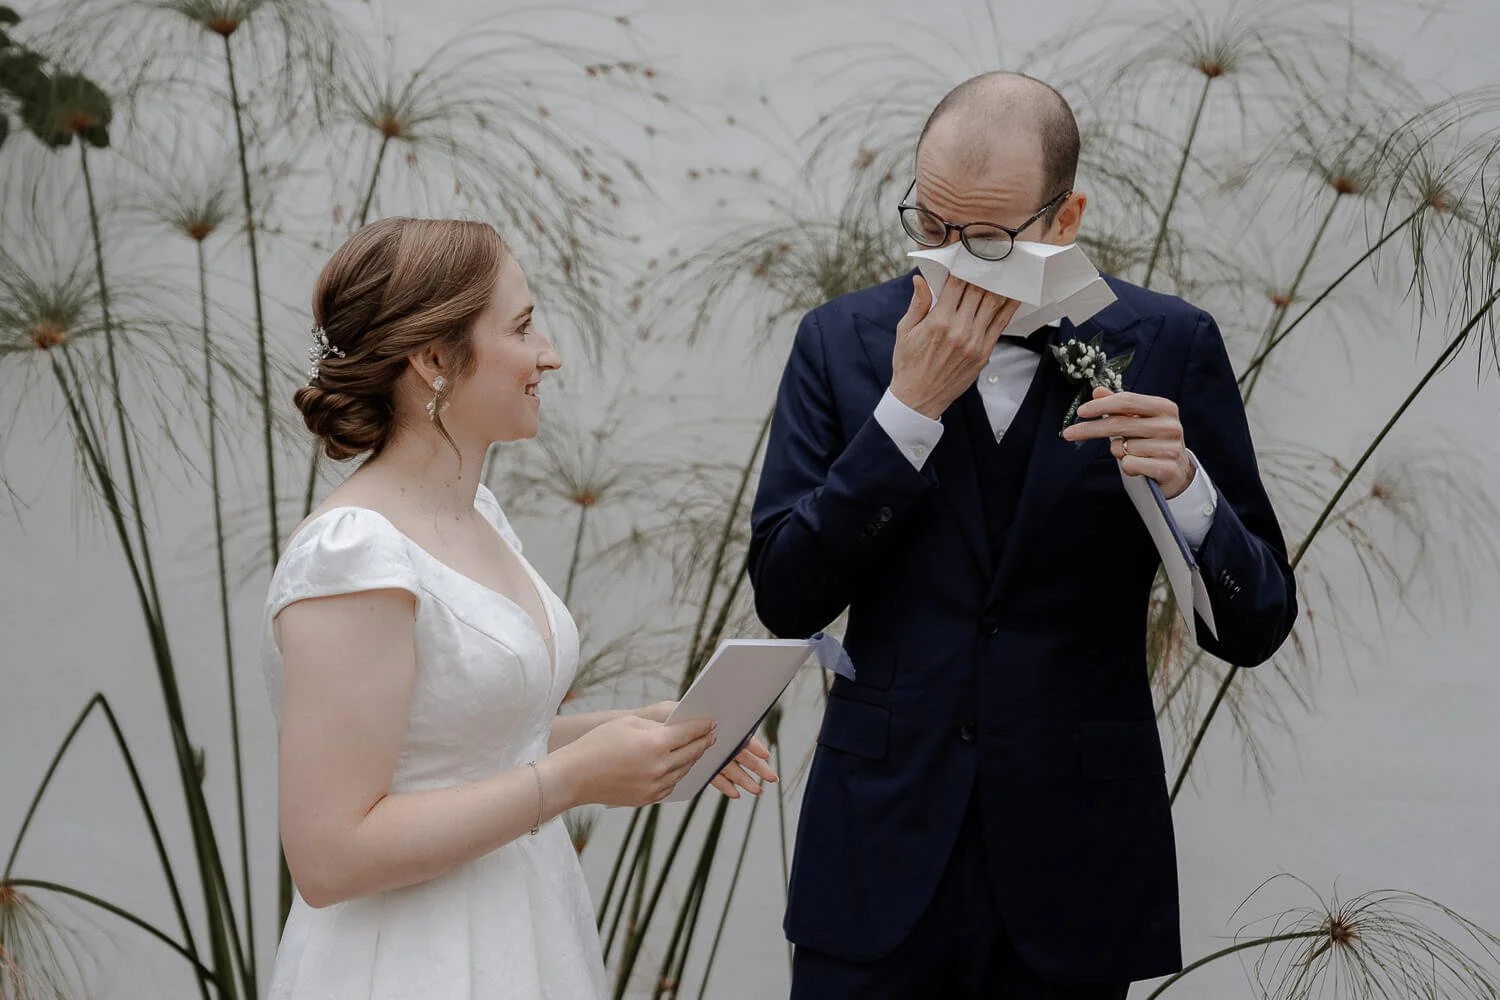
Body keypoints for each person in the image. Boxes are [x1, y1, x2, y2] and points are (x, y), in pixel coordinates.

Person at [748, 73, 1297, 999]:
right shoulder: (839, 340)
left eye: (990, 237)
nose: (957, 262)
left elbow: (1256, 625)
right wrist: (906, 415)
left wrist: (1188, 487)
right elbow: (786, 593)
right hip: (879, 843)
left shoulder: (1168, 342)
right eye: (931, 227)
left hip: (1075, 854)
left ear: (1065, 213)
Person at [261, 217, 775, 1000]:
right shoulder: (353, 557)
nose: (550, 355)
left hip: (524, 926)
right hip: (410, 960)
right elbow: (331, 856)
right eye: (525, 326)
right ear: (434, 359)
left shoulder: (479, 516)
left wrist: (637, 730)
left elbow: (465, 742)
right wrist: (570, 781)